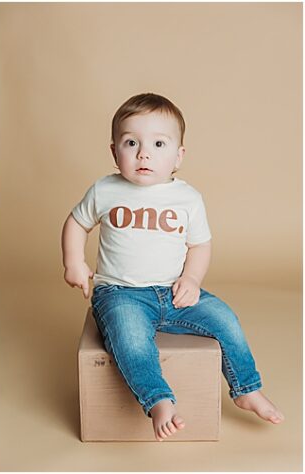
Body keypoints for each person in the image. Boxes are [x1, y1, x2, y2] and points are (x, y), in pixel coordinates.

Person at [61, 93, 282, 441]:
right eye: (131, 142)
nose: (143, 153)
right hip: (121, 294)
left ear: (178, 156)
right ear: (114, 150)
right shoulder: (105, 189)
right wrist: (74, 262)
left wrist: (192, 278)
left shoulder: (187, 198)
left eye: (158, 143)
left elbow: (199, 244)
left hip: (172, 289)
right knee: (131, 340)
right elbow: (76, 222)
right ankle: (159, 399)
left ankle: (246, 389)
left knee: (225, 319)